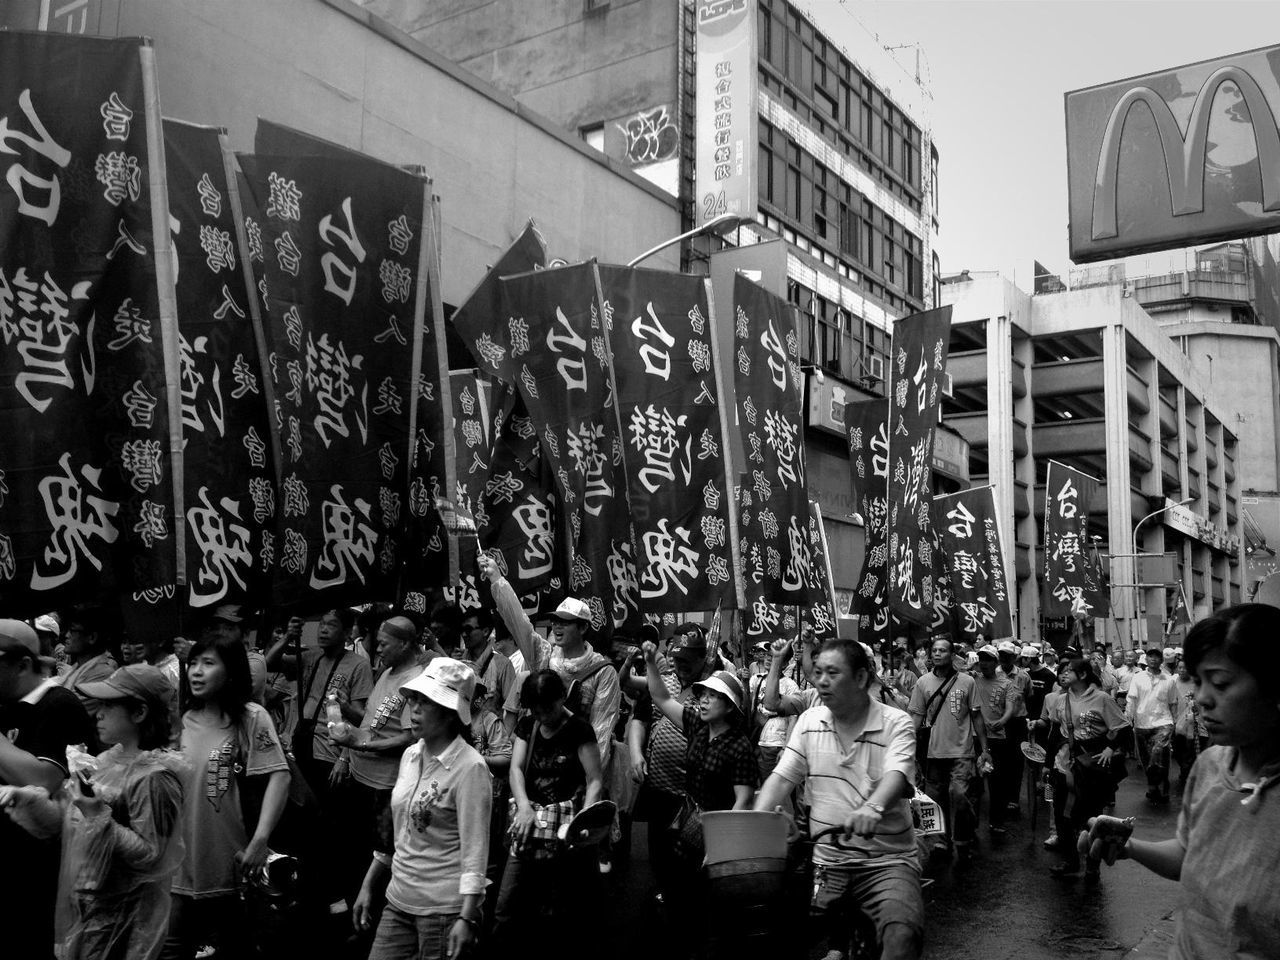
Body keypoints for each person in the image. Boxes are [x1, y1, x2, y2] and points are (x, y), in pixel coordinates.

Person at [1080, 604, 1280, 958]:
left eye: (1220, 683)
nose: (1202, 698)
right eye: (1199, 681)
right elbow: (1190, 854)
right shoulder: (1210, 766)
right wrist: (1129, 847)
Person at [1, 664, 186, 960]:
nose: (97, 713)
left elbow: (153, 856)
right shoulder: (106, 761)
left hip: (125, 919)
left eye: (108, 706)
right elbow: (73, 825)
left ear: (139, 713)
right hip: (89, 908)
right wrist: (31, 803)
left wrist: (98, 816)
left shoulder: (155, 777)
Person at [755, 639, 923, 960]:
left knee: (901, 937)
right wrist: (761, 815)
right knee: (780, 931)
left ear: (861, 679)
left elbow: (897, 775)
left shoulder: (895, 722)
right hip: (826, 861)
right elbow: (781, 777)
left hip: (886, 862)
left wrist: (872, 808)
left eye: (832, 673)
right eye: (818, 672)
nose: (821, 680)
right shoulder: (809, 721)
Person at [353, 658, 490, 960]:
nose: (413, 710)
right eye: (413, 700)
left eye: (424, 702)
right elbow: (396, 832)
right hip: (398, 898)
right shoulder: (411, 756)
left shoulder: (470, 768)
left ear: (451, 712)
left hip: (443, 911)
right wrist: (368, 886)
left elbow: (475, 852)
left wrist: (466, 918)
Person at [164, 633, 291, 960]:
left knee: (233, 948)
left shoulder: (251, 718)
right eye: (193, 662)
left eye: (208, 663)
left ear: (231, 670)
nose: (196, 671)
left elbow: (279, 776)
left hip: (234, 868)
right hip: (179, 867)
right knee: (172, 948)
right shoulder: (182, 721)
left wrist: (260, 840)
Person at [0, 619, 96, 960]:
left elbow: (44, 779)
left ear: (23, 664)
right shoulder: (6, 708)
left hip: (41, 873)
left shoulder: (58, 704)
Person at [491, 669, 603, 951]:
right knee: (507, 902)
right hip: (527, 824)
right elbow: (516, 768)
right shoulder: (528, 725)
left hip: (563, 829)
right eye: (536, 710)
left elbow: (595, 780)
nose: (543, 716)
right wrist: (525, 807)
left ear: (561, 698)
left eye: (548, 708)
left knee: (555, 902)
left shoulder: (579, 729)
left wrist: (584, 819)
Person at [481, 555, 621, 770]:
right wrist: (497, 579)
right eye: (555, 620)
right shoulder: (544, 655)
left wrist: (591, 779)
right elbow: (519, 622)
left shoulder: (603, 671)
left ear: (583, 628)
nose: (557, 626)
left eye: (565, 622)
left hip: (577, 765)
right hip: (538, 760)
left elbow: (601, 729)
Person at [330, 616, 428, 912]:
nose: (378, 651)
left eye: (384, 645)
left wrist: (361, 744)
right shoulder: (386, 673)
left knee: (383, 855)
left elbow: (410, 737)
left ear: (405, 643)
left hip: (387, 787)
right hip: (361, 779)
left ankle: (377, 916)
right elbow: (374, 722)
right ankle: (356, 910)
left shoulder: (417, 681)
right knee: (358, 851)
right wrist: (347, 710)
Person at [1044, 658, 1129, 881]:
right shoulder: (1060, 700)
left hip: (1091, 769)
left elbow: (1123, 728)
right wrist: (1046, 764)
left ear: (1082, 675)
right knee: (1061, 816)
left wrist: (1110, 748)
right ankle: (1070, 861)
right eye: (1061, 672)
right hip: (1062, 766)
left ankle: (1093, 864)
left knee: (1091, 819)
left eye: (1068, 671)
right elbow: (1055, 733)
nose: (1063, 675)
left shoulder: (1102, 699)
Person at [909, 637, 990, 864]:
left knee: (960, 795)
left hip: (962, 751)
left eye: (942, 650)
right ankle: (941, 841)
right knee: (934, 800)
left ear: (952, 655)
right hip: (933, 751)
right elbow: (916, 717)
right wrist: (905, 746)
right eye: (934, 650)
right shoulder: (922, 683)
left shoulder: (967, 682)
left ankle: (964, 836)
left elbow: (976, 715)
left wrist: (985, 749)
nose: (937, 654)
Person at [971, 645, 1015, 835]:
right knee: (974, 785)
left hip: (997, 738)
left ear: (996, 663)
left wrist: (1002, 721)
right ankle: (971, 826)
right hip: (973, 737)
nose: (984, 663)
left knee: (998, 784)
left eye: (988, 660)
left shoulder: (1006, 683)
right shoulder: (972, 681)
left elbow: (1010, 707)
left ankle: (997, 821)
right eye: (981, 660)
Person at [1127, 647, 1178, 804]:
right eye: (1150, 656)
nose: (1153, 659)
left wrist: (1174, 723)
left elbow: (1173, 702)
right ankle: (1152, 787)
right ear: (1146, 659)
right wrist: (1128, 719)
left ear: (1161, 660)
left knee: (1159, 752)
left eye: (1157, 656)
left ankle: (1162, 786)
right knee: (1146, 758)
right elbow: (1131, 699)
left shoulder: (1168, 680)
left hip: (1163, 722)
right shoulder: (1138, 678)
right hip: (1142, 723)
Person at [58, 607, 119, 705]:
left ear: (92, 638)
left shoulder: (103, 673)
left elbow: (66, 709)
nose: (67, 635)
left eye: (73, 631)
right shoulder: (77, 667)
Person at [1170, 656, 1207, 794]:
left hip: (1195, 723)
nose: (1182, 670)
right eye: (1180, 667)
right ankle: (1184, 768)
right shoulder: (1172, 682)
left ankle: (1188, 772)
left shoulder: (1197, 683)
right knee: (1178, 748)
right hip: (1177, 722)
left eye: (1185, 667)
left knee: (1191, 749)